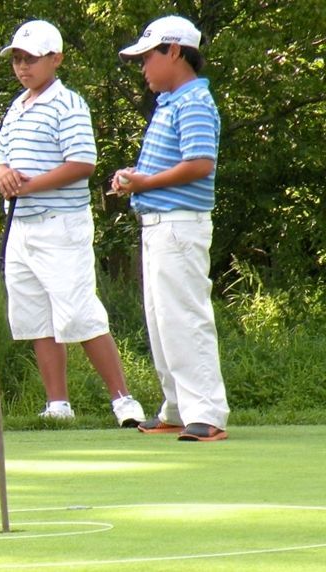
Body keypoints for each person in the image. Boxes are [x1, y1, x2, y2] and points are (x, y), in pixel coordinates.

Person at [0, 20, 146, 428]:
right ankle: (58, 405)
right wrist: (2, 174)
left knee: (79, 313)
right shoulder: (17, 105)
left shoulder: (69, 104)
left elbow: (82, 164)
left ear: (55, 59)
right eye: (18, 59)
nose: (23, 67)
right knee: (36, 317)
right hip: (21, 227)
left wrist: (28, 186)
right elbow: (0, 159)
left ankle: (124, 401)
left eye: (32, 59)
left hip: (61, 224)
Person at [112, 16, 230, 441]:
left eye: (148, 57)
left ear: (175, 52)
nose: (143, 67)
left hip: (180, 226)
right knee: (162, 322)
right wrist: (134, 176)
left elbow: (200, 164)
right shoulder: (172, 102)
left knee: (185, 318)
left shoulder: (194, 101)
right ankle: (178, 408)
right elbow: (174, 164)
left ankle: (208, 413)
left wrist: (145, 181)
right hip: (160, 226)